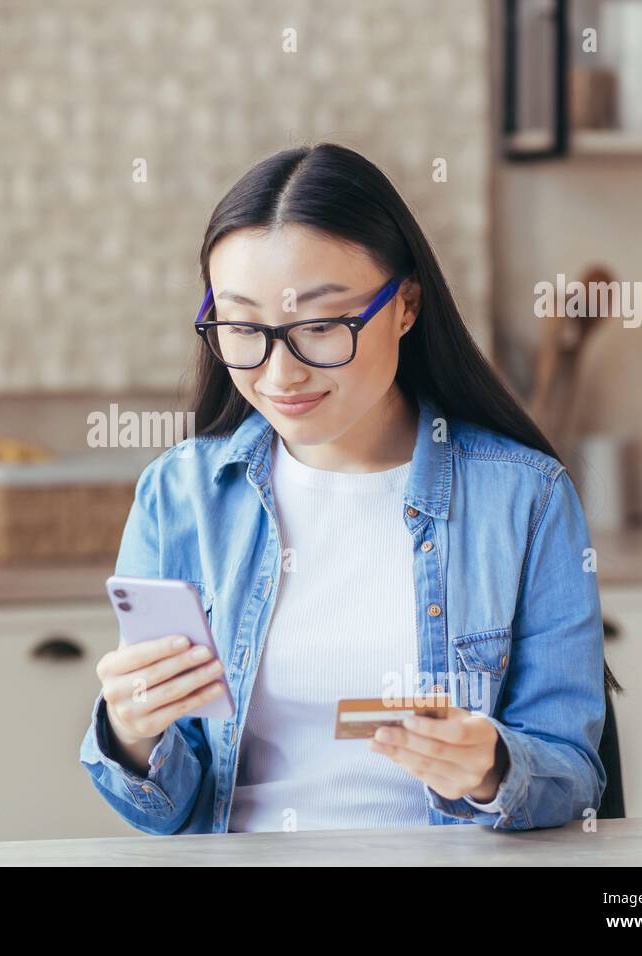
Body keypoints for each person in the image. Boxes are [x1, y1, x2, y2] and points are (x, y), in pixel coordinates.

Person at [80, 142, 610, 834]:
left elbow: (573, 776)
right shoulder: (180, 497)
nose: (280, 374)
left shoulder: (526, 499)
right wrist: (132, 735)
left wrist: (491, 769)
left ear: (406, 306)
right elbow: (164, 814)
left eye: (322, 326)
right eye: (243, 328)